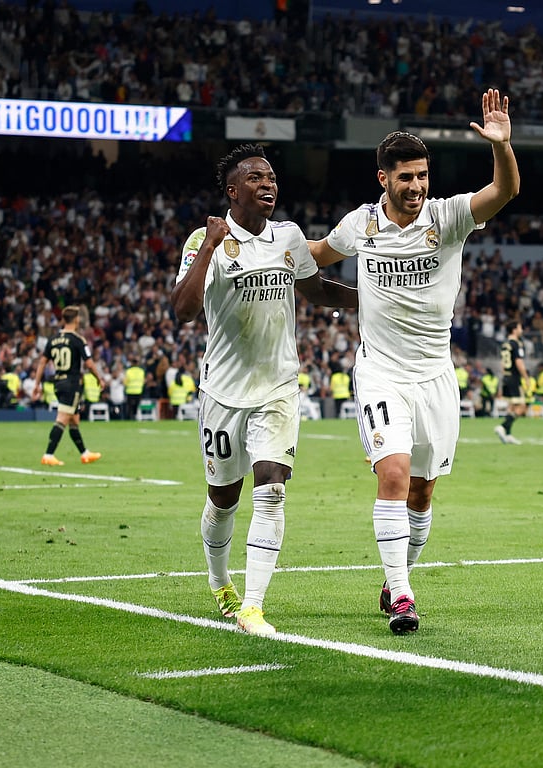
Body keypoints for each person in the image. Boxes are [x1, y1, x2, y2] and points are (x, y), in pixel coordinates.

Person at [306, 89, 520, 634]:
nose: (417, 186)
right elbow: (318, 254)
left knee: (423, 492)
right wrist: (261, 247)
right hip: (381, 372)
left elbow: (505, 190)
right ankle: (402, 594)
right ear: (384, 179)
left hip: (435, 377)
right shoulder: (361, 225)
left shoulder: (447, 218)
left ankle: (396, 574)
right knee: (394, 475)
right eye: (406, 177)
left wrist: (501, 147)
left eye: (423, 175)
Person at [170, 143, 358, 637]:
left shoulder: (288, 237)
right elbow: (183, 310)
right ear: (232, 192)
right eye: (255, 178)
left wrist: (375, 299)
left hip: (277, 387)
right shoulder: (202, 240)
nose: (268, 184)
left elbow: (315, 290)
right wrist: (211, 244)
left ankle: (253, 606)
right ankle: (220, 584)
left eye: (271, 177)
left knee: (272, 488)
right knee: (223, 498)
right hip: (223, 393)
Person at [30, 306, 105, 465]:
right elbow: (90, 364)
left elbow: (42, 362)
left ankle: (84, 453)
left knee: (74, 420)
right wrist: (99, 378)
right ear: (77, 319)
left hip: (58, 382)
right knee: (63, 418)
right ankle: (48, 454)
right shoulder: (78, 340)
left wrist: (37, 384)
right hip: (72, 384)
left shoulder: (53, 340)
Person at [495, 319, 529, 444]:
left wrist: (504, 377)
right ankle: (503, 426)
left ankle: (508, 434)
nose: (522, 330)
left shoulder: (504, 344)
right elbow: (518, 362)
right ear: (514, 330)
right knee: (522, 407)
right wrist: (525, 377)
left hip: (506, 377)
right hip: (514, 378)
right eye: (520, 327)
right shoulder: (516, 344)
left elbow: (502, 363)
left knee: (512, 406)